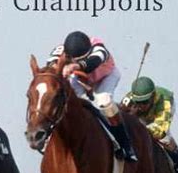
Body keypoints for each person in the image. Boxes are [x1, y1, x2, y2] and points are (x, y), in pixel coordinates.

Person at [47, 31, 137, 161]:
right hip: (81, 79)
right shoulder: (60, 51)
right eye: (74, 59)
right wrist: (57, 69)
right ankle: (50, 138)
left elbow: (93, 62)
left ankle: (125, 143)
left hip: (106, 77)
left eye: (82, 58)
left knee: (103, 102)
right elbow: (50, 67)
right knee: (67, 101)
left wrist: (75, 65)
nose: (77, 61)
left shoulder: (98, 47)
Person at [121, 76, 178, 173]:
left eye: (145, 102)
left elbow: (160, 130)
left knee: (164, 139)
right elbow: (119, 119)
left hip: (158, 116)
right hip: (142, 118)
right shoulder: (129, 99)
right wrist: (129, 116)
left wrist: (137, 127)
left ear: (153, 96)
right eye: (138, 102)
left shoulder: (165, 101)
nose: (141, 106)